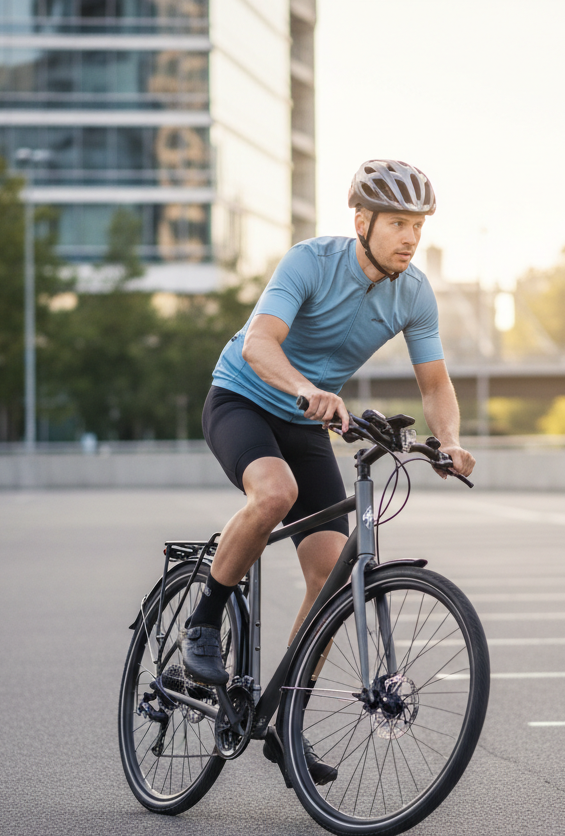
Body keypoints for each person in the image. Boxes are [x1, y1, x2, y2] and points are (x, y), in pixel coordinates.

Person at [180, 159, 476, 783]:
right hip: (243, 398)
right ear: (362, 220)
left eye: (417, 226)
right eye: (397, 223)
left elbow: (436, 384)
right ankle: (204, 621)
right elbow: (259, 344)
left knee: (332, 580)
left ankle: (286, 725)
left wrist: (447, 441)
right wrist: (308, 388)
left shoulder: (413, 292)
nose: (409, 238)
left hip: (309, 420)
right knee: (274, 492)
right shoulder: (310, 262)